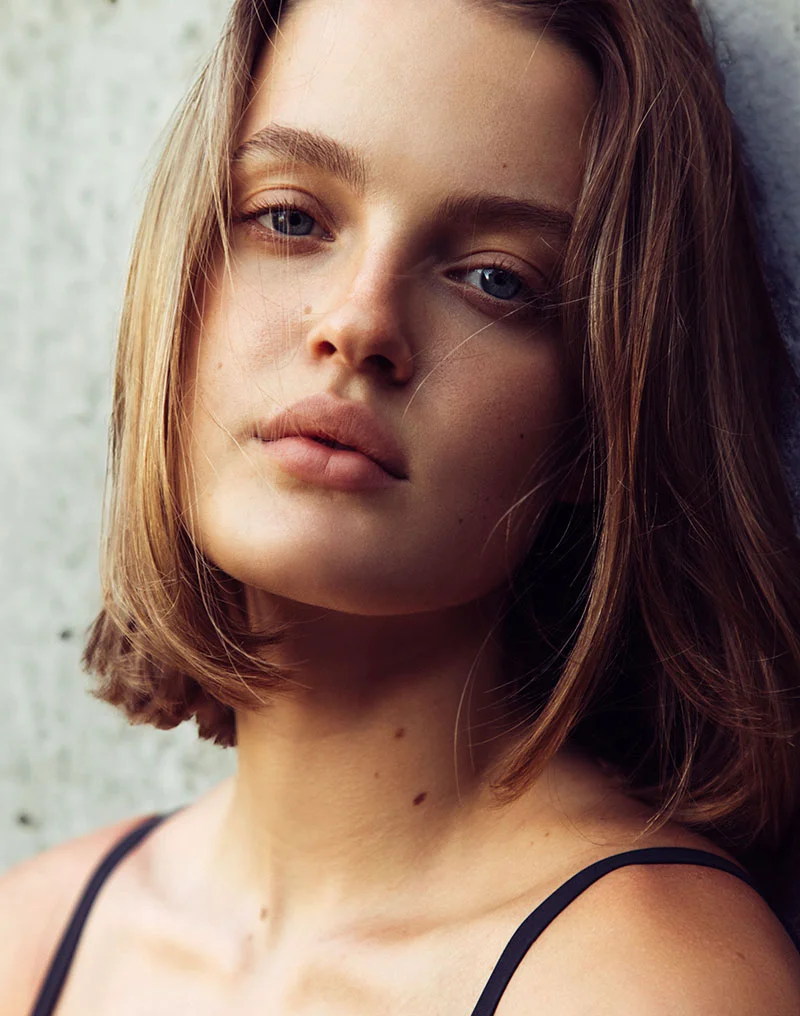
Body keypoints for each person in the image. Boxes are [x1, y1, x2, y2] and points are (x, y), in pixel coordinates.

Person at [4, 0, 800, 1011]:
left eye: (492, 279)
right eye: (289, 217)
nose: (358, 322)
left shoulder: (647, 980)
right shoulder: (31, 940)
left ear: (603, 414)